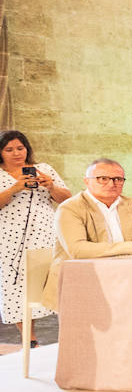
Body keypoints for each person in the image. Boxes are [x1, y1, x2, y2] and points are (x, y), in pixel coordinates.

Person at [41, 158, 132, 310]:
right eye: (102, 179)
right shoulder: (69, 208)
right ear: (86, 181)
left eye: (118, 179)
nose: (111, 184)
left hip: (126, 277)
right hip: (81, 281)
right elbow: (77, 250)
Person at [0, 130, 72, 329]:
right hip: (9, 240)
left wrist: (51, 186)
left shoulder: (43, 168)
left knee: (53, 283)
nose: (16, 153)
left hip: (45, 235)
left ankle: (67, 334)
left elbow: (67, 199)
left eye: (20, 148)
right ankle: (29, 342)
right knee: (16, 289)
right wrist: (14, 188)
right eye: (9, 149)